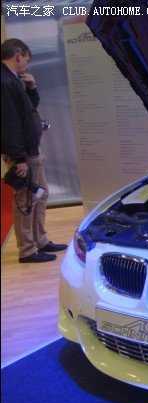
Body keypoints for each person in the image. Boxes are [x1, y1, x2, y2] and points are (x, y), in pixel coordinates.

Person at [1, 38, 68, 263]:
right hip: (24, 154)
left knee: (41, 194)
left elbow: (28, 110)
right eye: (26, 61)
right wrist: (19, 158)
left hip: (30, 150)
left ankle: (40, 240)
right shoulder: (5, 82)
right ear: (18, 55)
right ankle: (27, 250)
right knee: (26, 199)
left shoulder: (12, 80)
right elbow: (9, 124)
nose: (26, 66)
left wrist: (31, 88)